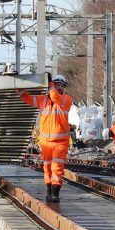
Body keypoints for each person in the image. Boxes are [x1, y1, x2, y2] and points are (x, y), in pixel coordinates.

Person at [34, 72, 76, 206]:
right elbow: (27, 98)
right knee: (47, 167)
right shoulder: (43, 100)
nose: (58, 88)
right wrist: (20, 89)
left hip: (60, 142)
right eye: (57, 85)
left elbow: (54, 96)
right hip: (45, 142)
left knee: (57, 167)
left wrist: (50, 85)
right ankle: (49, 191)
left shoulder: (66, 99)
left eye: (61, 85)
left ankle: (55, 193)